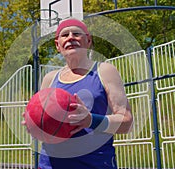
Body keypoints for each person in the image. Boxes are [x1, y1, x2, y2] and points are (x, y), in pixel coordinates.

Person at [38, 18, 133, 169]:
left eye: (76, 33)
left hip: (94, 163)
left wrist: (90, 120)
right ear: (58, 45)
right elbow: (44, 124)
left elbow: (126, 123)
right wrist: (35, 124)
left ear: (88, 41)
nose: (70, 37)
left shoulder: (105, 71)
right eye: (65, 35)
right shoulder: (49, 79)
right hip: (50, 164)